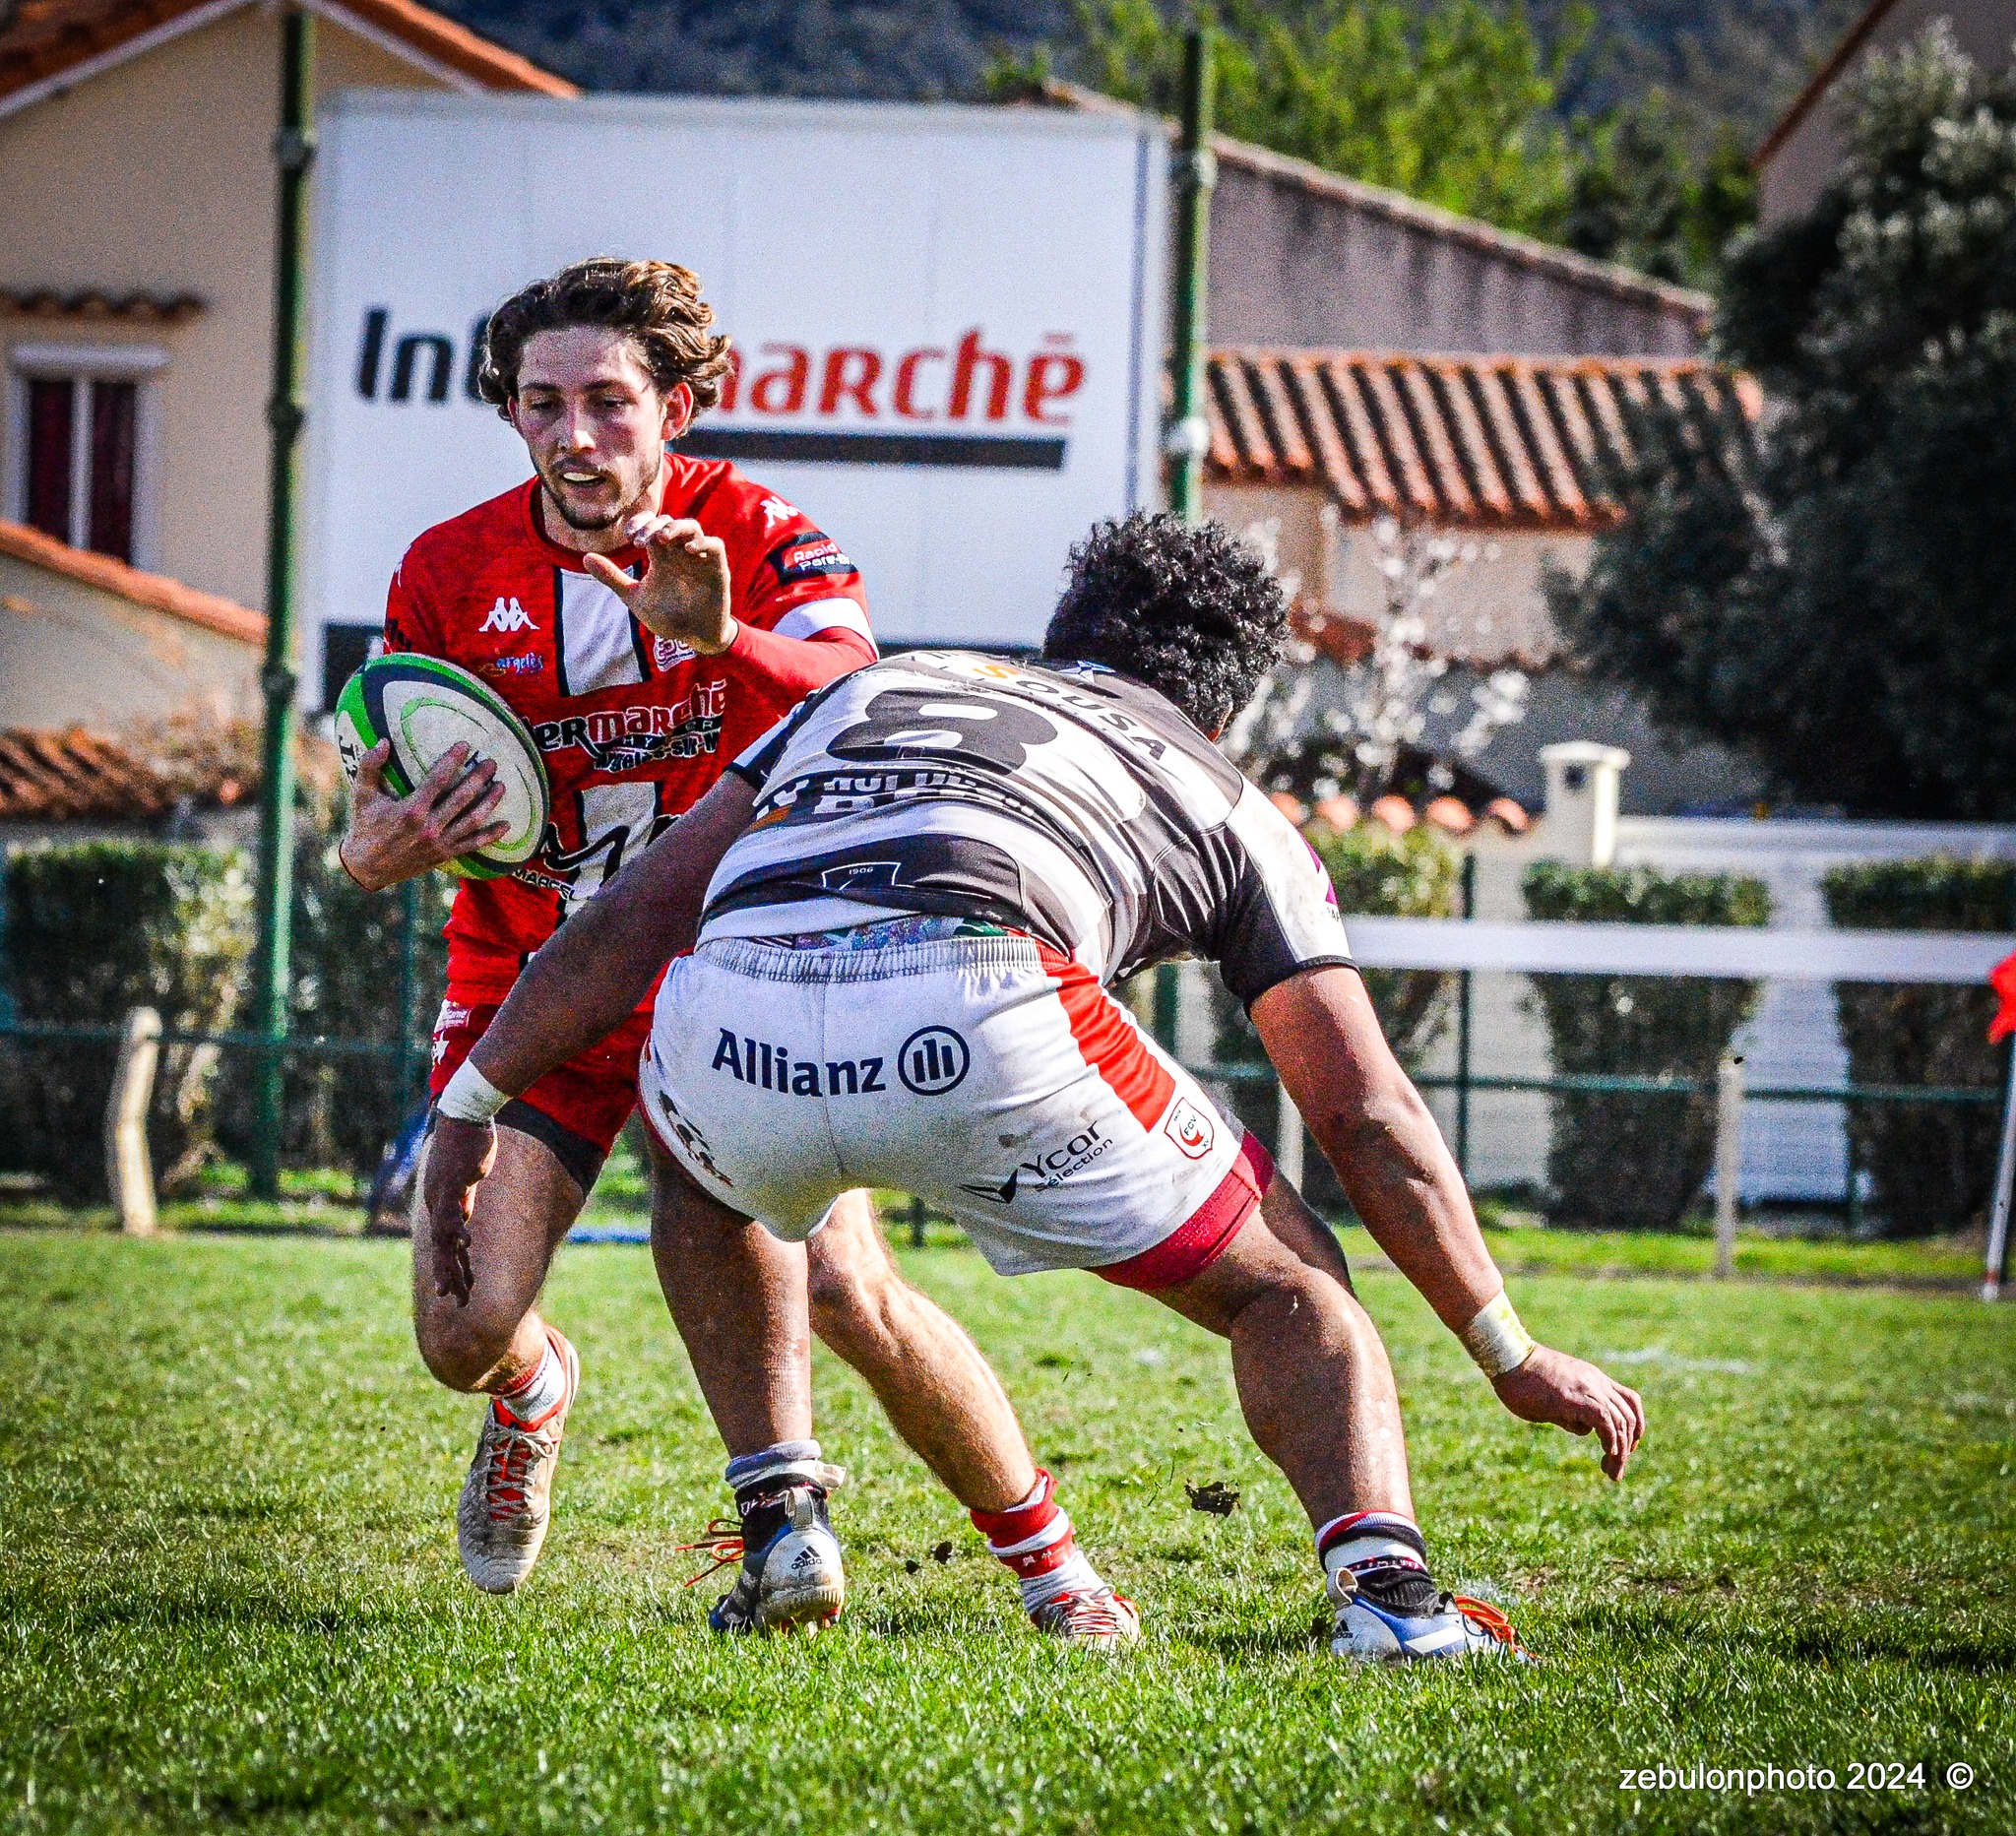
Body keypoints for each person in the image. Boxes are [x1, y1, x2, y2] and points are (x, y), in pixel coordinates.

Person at [422, 512, 1647, 1661]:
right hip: (987, 1000)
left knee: (705, 1174)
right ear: (1224, 706)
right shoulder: (1225, 795)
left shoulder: (875, 686)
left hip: (732, 1003)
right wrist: (1504, 1346)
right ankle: (1389, 1597)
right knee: (1288, 1283)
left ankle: (781, 1517)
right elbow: (1362, 1112)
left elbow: (631, 917)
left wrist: (469, 1110)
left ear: (1061, 636)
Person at [342, 256, 1123, 1638]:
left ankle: (1056, 1574)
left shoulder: (759, 535)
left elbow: (858, 692)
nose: (574, 435)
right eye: (541, 404)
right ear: (511, 413)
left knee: (844, 1285)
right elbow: (368, 804)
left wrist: (724, 636)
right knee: (461, 1331)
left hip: (735, 970)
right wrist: (378, 846)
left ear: (677, 407)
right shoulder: (446, 571)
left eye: (607, 401)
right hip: (532, 979)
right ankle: (535, 1386)